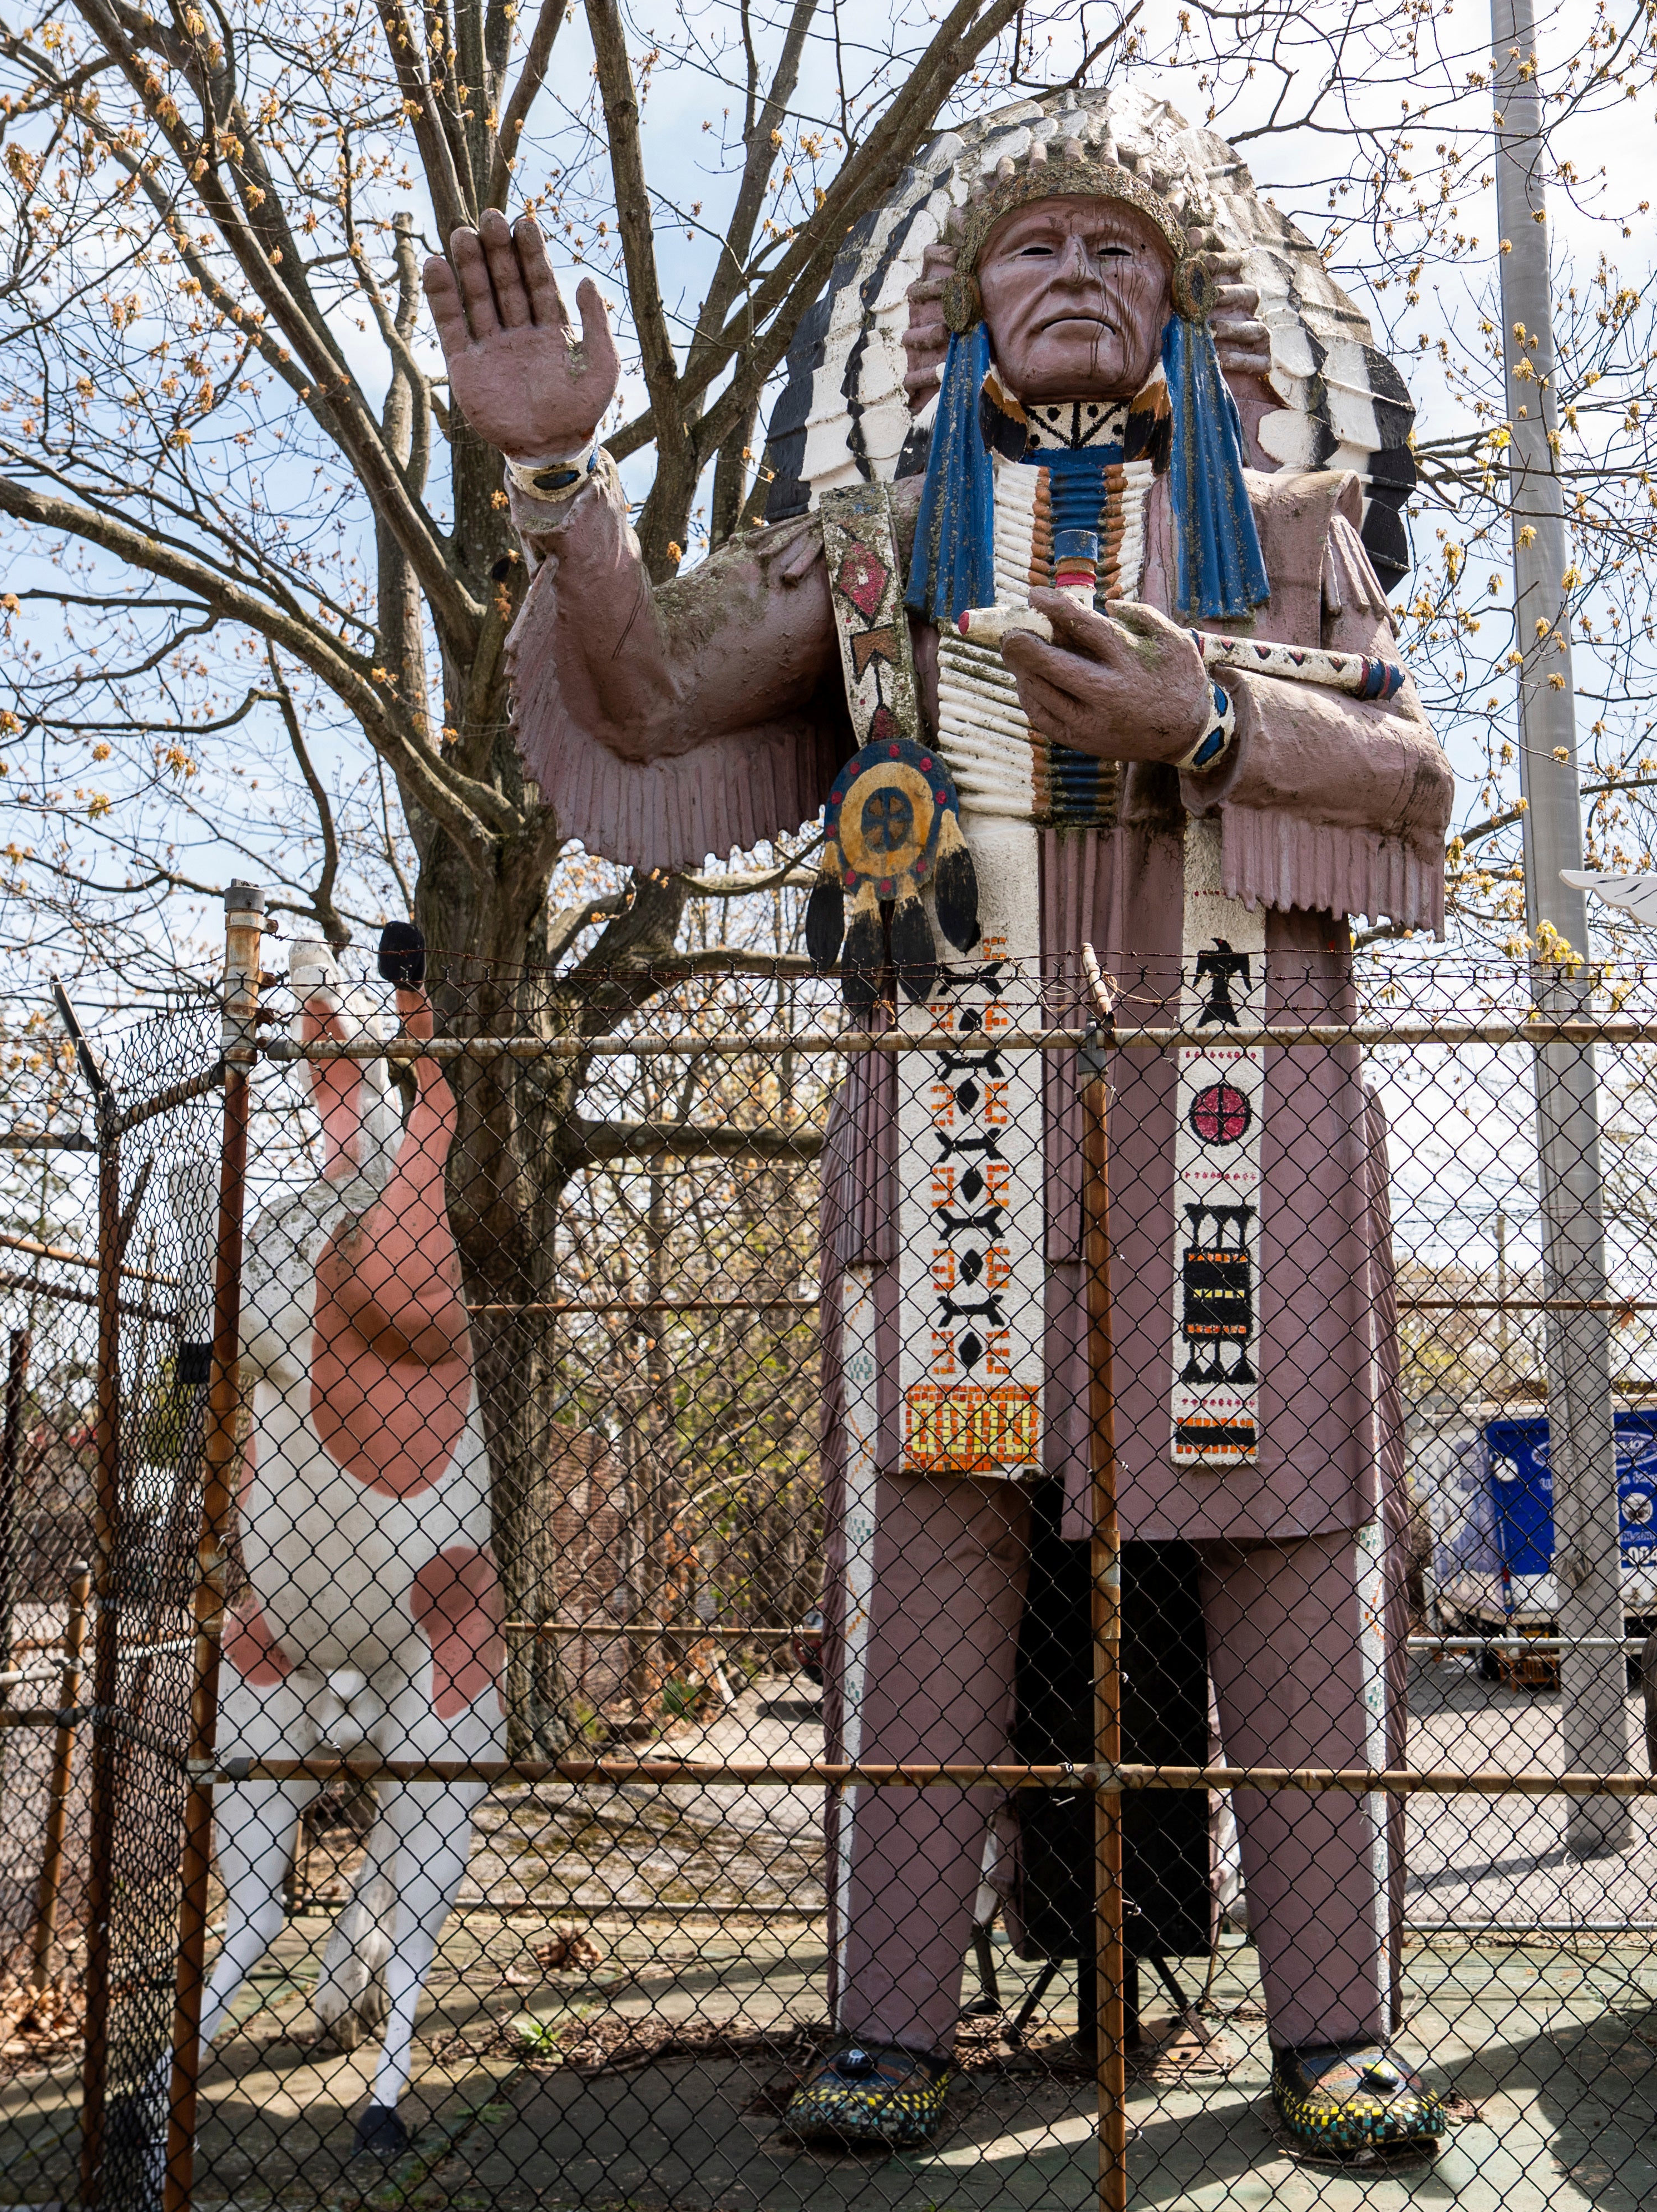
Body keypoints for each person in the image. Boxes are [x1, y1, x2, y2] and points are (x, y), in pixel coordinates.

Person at [423, 103, 1452, 2156]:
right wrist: (559, 477)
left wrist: (1216, 721)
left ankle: (1336, 2027)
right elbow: (644, 700)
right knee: (932, 1538)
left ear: (1181, 306)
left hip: (1237, 1098)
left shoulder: (1293, 519)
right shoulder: (876, 543)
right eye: (1033, 245)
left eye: (1121, 249)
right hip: (952, 1101)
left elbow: (1412, 779)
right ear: (962, 304)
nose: (1077, 269)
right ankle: (890, 2024)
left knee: (1291, 1534)